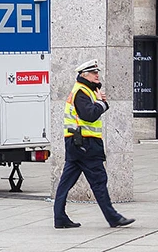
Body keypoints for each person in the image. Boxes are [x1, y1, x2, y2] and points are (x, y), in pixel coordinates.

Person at [53, 59, 135, 229]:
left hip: (76, 143)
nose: (97, 75)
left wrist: (100, 102)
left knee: (66, 182)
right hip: (86, 145)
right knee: (99, 181)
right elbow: (89, 115)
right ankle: (113, 218)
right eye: (93, 73)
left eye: (97, 72)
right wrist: (101, 104)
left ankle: (59, 217)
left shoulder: (84, 90)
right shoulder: (82, 92)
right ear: (84, 75)